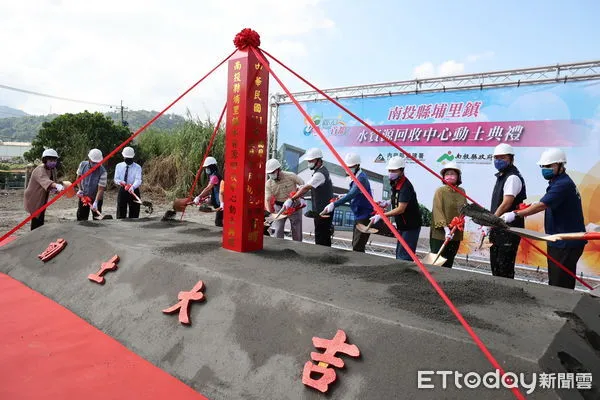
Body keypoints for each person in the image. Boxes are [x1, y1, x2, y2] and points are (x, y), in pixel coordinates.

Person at [500, 148, 586, 289]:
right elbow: (548, 203)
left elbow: (542, 205)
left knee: (560, 284)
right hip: (559, 240)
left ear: (560, 165)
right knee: (557, 280)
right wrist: (532, 206)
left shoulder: (562, 184)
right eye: (543, 166)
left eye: (549, 166)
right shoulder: (558, 181)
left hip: (566, 242)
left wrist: (515, 214)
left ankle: (561, 309)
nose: (545, 169)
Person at [483, 143, 527, 279]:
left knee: (504, 267)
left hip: (508, 230)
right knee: (496, 266)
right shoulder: (502, 176)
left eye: (502, 157)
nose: (498, 160)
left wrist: (491, 221)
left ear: (511, 158)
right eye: (496, 157)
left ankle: (506, 297)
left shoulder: (512, 177)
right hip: (499, 228)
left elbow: (506, 203)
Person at [369, 156, 422, 261]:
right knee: (399, 253)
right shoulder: (396, 182)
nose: (391, 172)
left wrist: (382, 216)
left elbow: (401, 209)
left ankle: (405, 275)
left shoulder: (406, 186)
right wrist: (387, 202)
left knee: (405, 255)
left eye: (394, 170)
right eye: (389, 170)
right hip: (402, 225)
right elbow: (397, 197)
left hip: (410, 225)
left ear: (401, 170)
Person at [321, 153, 373, 252]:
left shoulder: (361, 178)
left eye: (351, 167)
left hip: (364, 215)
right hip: (359, 214)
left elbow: (353, 194)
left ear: (357, 165)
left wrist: (334, 204)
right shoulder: (356, 176)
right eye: (347, 167)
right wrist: (345, 195)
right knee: (356, 243)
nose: (348, 169)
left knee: (358, 245)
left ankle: (359, 265)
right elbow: (356, 193)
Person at [286, 148, 334, 247]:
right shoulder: (320, 171)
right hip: (322, 210)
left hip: (323, 211)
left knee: (322, 237)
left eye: (311, 161)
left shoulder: (320, 174)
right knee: (323, 235)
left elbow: (307, 188)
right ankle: (324, 257)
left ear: (319, 160)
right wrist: (301, 189)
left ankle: (323, 258)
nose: (309, 163)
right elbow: (307, 186)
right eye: (308, 161)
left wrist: (292, 199)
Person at [429, 162, 467, 268]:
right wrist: (446, 230)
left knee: (449, 261)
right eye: (447, 174)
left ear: (458, 176)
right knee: (437, 262)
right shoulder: (440, 191)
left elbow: (464, 209)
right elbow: (437, 210)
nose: (449, 176)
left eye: (452, 174)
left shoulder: (462, 191)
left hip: (455, 233)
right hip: (441, 234)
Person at [23, 148, 65, 230]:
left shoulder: (52, 169)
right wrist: (56, 185)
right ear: (45, 160)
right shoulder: (40, 169)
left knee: (41, 214)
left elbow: (51, 182)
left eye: (54, 160)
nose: (53, 162)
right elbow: (45, 180)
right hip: (33, 196)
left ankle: (39, 231)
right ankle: (35, 233)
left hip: (42, 194)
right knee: (36, 217)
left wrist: (54, 189)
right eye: (50, 160)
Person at [264, 158, 305, 241]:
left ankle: (298, 247)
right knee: (278, 229)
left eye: (273, 172)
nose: (271, 175)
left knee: (296, 228)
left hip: (294, 206)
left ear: (278, 169)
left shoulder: (291, 176)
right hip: (279, 208)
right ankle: (278, 247)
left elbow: (303, 184)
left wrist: (301, 196)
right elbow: (267, 200)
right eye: (269, 173)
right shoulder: (268, 184)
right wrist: (270, 214)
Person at [76, 148, 107, 221]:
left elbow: (101, 189)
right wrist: (80, 189)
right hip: (84, 196)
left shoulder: (103, 172)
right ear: (89, 159)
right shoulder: (82, 165)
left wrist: (96, 202)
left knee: (97, 219)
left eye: (97, 163)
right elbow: (78, 179)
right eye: (94, 162)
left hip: (96, 197)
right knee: (81, 218)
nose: (95, 164)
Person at [113, 146, 142, 219]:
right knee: (121, 212)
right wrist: (121, 182)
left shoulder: (137, 167)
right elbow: (116, 179)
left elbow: (138, 179)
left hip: (134, 190)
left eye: (130, 158)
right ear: (123, 157)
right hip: (123, 190)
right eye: (126, 158)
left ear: (133, 157)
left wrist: (133, 187)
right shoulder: (119, 166)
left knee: (134, 213)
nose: (128, 160)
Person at [193, 156, 223, 227]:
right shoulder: (214, 175)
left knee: (218, 222)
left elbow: (208, 188)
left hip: (222, 202)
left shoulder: (215, 176)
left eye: (207, 167)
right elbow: (215, 190)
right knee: (220, 221)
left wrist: (199, 197)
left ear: (211, 167)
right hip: (219, 201)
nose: (206, 169)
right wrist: (208, 198)